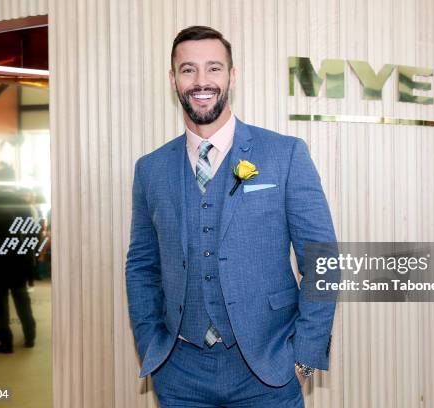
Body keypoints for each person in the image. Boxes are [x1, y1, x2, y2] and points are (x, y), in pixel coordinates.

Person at [125, 26, 337, 407]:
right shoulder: (150, 169)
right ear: (173, 80)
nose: (201, 81)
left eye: (213, 68)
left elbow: (322, 260)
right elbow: (141, 265)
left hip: (268, 368)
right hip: (179, 372)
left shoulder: (284, 155)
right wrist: (150, 346)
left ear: (232, 76)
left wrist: (304, 356)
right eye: (188, 70)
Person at [0, 167, 36, 353]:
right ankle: (29, 336)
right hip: (18, 258)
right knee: (21, 298)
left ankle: (6, 341)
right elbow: (30, 232)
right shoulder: (22, 203)